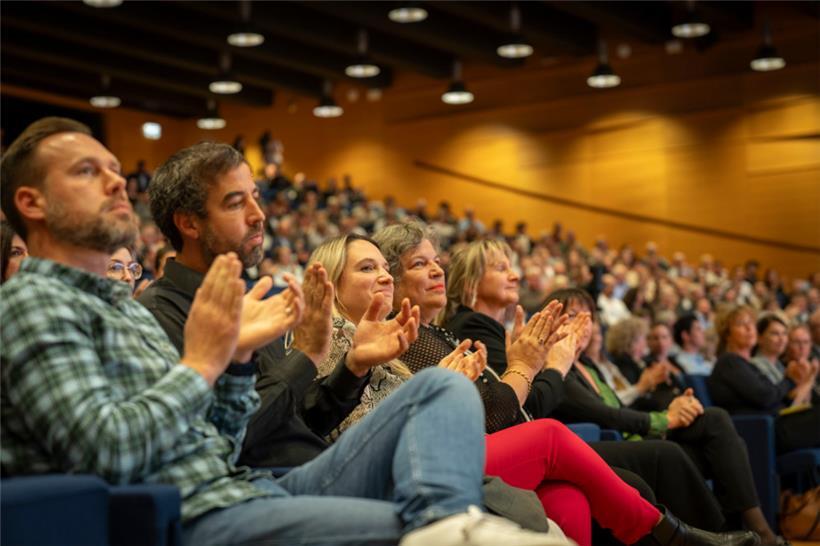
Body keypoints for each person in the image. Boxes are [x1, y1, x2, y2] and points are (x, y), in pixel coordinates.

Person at [0, 119, 565, 546]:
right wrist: (204, 363)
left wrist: (238, 362)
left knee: (440, 392)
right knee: (439, 523)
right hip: (194, 511)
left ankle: (448, 525)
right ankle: (452, 529)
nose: (115, 180)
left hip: (248, 484)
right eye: (85, 172)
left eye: (110, 167)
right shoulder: (33, 304)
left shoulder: (122, 308)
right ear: (32, 203)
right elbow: (108, 452)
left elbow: (218, 443)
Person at [309, 225, 757, 546]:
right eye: (371, 269)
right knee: (554, 438)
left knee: (569, 498)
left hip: (458, 448)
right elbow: (487, 414)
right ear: (331, 283)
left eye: (386, 268)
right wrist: (537, 364)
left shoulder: (411, 334)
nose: (386, 276)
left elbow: (486, 411)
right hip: (408, 466)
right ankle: (664, 530)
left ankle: (669, 529)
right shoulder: (335, 340)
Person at [542, 288, 787, 546]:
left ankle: (747, 531)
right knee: (707, 441)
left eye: (588, 315)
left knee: (715, 423)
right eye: (572, 315)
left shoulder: (589, 365)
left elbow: (619, 407)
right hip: (617, 444)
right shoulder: (557, 366)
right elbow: (607, 415)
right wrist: (665, 419)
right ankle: (742, 533)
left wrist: (672, 410)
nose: (583, 322)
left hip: (636, 433)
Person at [707, 305, 820, 455]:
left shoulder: (745, 364)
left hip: (775, 424)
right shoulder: (729, 362)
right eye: (741, 324)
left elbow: (775, 396)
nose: (749, 328)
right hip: (763, 431)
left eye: (751, 324)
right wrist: (790, 379)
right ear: (727, 334)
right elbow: (765, 396)